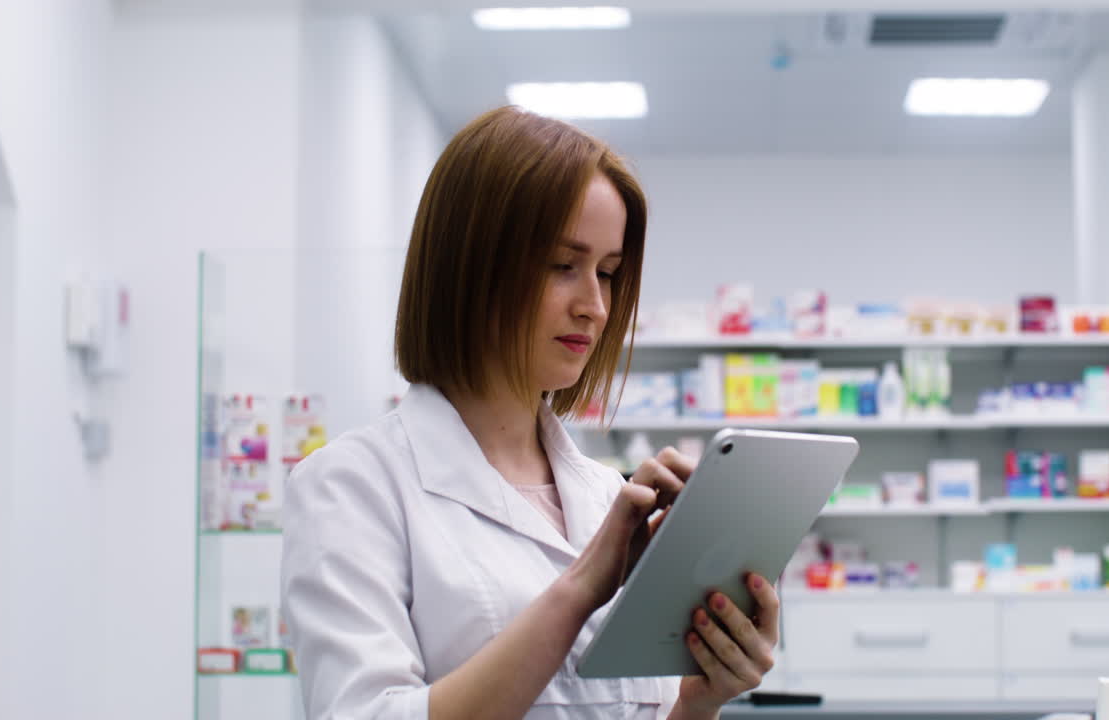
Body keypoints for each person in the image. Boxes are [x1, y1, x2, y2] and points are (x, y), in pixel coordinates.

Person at [281, 106, 779, 720]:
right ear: (470, 266)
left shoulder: (603, 495)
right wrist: (580, 592)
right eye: (562, 267)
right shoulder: (352, 486)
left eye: (608, 273)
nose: (594, 306)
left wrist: (698, 703)